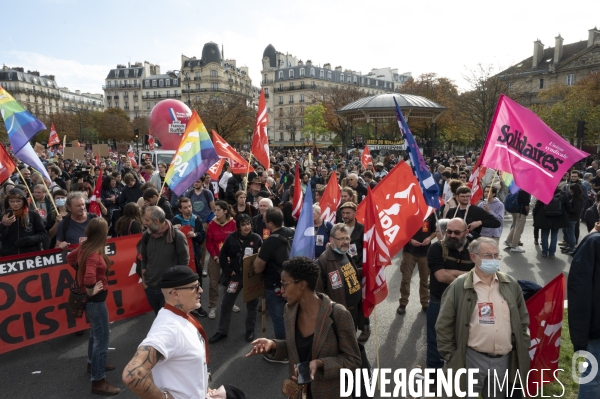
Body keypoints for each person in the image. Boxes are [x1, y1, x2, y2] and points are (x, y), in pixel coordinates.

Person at [246, 257, 362, 399]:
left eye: (284, 284)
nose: (281, 290)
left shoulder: (338, 314)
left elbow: (353, 360)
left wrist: (319, 364)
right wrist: (274, 345)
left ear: (302, 284)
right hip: (299, 393)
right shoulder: (289, 310)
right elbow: (295, 348)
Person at [436, 238, 530, 398]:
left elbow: (522, 320)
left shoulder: (510, 284)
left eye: (496, 255)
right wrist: (451, 356)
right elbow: (444, 324)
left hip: (503, 361)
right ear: (473, 257)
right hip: (471, 359)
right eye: (488, 256)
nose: (493, 260)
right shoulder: (459, 286)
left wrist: (523, 344)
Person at [122, 266, 210, 399]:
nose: (201, 290)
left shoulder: (180, 315)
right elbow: (133, 374)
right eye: (194, 287)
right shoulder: (169, 327)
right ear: (175, 294)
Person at [67, 218, 120, 396]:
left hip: (94, 302)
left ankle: (92, 363)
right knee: (102, 340)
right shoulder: (94, 253)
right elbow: (89, 278)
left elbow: (70, 258)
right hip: (95, 302)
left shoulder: (86, 247)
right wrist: (90, 289)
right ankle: (98, 380)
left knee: (95, 335)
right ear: (102, 233)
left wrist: (81, 273)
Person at [426, 218, 474, 370]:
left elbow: (484, 275)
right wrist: (468, 276)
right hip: (439, 301)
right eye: (449, 232)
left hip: (467, 301)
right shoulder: (436, 248)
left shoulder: (475, 249)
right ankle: (434, 372)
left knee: (464, 337)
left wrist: (452, 272)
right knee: (435, 339)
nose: (452, 235)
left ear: (466, 232)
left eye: (457, 232)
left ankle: (458, 369)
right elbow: (441, 276)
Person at [209, 214, 262, 344]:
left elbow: (262, 257)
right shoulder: (231, 238)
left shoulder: (257, 239)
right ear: (238, 226)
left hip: (251, 277)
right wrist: (228, 271)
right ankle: (222, 331)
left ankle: (250, 330)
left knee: (252, 305)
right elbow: (222, 256)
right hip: (236, 276)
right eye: (243, 224)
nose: (247, 227)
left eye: (248, 223)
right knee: (227, 303)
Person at [253, 207, 295, 347]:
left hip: (275, 286)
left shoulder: (270, 241)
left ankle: (283, 351)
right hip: (294, 283)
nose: (264, 223)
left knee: (278, 320)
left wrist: (260, 253)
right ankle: (295, 345)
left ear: (270, 223)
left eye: (265, 221)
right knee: (293, 316)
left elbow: (258, 268)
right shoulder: (293, 232)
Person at [315, 223, 365, 335]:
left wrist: (369, 270)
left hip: (354, 311)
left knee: (353, 339)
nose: (346, 242)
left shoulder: (345, 253)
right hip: (339, 317)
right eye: (341, 239)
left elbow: (349, 274)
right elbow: (318, 295)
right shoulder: (323, 263)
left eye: (347, 238)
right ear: (331, 240)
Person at [568, 226, 600, 398]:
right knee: (594, 377)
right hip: (597, 328)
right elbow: (579, 290)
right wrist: (580, 333)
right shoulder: (594, 242)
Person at [141, 206, 190, 314]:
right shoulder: (146, 236)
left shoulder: (177, 236)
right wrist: (145, 283)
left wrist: (176, 287)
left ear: (157, 221)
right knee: (159, 318)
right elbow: (144, 259)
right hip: (151, 288)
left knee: (170, 321)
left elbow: (184, 263)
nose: (144, 222)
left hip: (169, 290)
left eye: (146, 220)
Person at [397, 212, 437, 315]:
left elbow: (434, 231)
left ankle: (425, 303)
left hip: (425, 252)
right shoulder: (408, 213)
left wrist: (429, 238)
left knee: (425, 280)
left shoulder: (430, 214)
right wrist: (410, 240)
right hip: (410, 252)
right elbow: (401, 231)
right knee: (406, 278)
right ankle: (403, 303)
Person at [205, 200, 237, 320]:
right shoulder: (212, 224)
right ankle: (213, 306)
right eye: (215, 210)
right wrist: (215, 256)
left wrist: (230, 256)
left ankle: (229, 303)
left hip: (229, 257)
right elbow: (209, 242)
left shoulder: (233, 223)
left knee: (229, 282)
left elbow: (235, 241)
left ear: (225, 211)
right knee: (213, 283)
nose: (216, 212)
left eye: (218, 210)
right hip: (216, 257)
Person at [171, 197, 207, 285]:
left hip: (195, 256)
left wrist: (196, 235)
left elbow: (202, 237)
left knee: (197, 282)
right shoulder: (175, 220)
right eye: (185, 207)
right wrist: (174, 229)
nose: (189, 209)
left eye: (190, 206)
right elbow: (169, 238)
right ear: (180, 209)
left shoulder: (196, 219)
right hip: (180, 257)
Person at [0, 188, 47, 256]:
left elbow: (43, 234)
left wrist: (30, 240)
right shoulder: (3, 217)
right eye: (12, 201)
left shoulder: (33, 215)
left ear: (24, 201)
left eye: (18, 201)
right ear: (8, 202)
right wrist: (3, 225)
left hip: (30, 255)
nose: (15, 204)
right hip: (9, 256)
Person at [532, 188, 570, 259]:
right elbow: (568, 207)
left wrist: (535, 215)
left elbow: (538, 206)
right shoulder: (563, 194)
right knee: (554, 235)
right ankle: (552, 253)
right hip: (558, 217)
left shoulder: (544, 192)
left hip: (545, 216)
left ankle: (544, 252)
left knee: (545, 234)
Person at [503, 189, 531, 253]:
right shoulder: (526, 191)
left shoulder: (515, 189)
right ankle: (514, 246)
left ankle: (508, 241)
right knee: (518, 230)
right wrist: (527, 213)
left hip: (514, 211)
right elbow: (526, 206)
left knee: (514, 227)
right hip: (521, 213)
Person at [561, 183, 584, 255]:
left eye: (570, 189)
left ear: (572, 190)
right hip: (571, 218)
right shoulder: (575, 197)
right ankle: (569, 246)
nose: (569, 190)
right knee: (567, 232)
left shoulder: (577, 199)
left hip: (572, 218)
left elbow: (575, 210)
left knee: (571, 233)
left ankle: (571, 248)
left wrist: (568, 208)